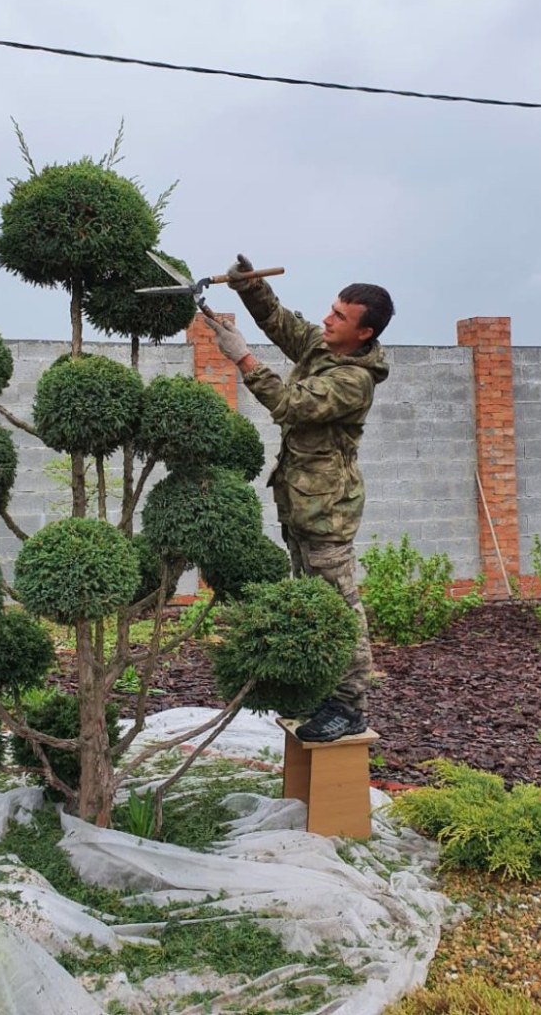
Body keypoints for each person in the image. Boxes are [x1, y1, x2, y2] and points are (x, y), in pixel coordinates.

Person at [204, 255, 394, 742]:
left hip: (327, 510)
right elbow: (279, 321)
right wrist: (249, 288)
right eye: (331, 309)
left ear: (364, 333)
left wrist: (243, 359)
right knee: (312, 598)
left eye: (339, 317)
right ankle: (321, 689)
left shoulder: (354, 380)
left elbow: (292, 404)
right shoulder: (322, 345)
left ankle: (349, 706)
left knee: (339, 605)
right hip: (301, 501)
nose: (327, 320)